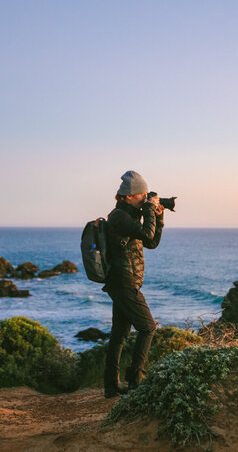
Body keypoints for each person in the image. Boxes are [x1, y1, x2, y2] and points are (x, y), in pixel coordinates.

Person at [103, 170, 164, 398]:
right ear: (128, 196)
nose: (145, 198)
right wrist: (149, 210)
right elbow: (147, 236)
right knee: (148, 327)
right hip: (123, 280)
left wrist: (159, 217)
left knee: (119, 334)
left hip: (124, 281)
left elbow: (151, 242)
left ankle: (111, 385)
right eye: (142, 194)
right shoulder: (119, 217)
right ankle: (136, 379)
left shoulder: (129, 217)